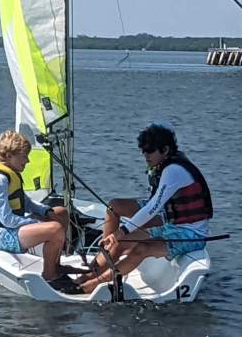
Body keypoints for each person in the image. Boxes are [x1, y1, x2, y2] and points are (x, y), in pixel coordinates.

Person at [75, 123, 212, 294]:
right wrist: (120, 236)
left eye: (150, 151)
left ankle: (94, 284)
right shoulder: (162, 164)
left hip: (191, 234)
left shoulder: (174, 171)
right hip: (171, 225)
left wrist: (121, 231)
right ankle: (90, 274)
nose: (145, 155)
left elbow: (153, 208)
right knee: (120, 244)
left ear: (166, 150)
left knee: (141, 248)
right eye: (143, 151)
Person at [0, 130, 81, 295]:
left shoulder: (11, 174)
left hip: (12, 228)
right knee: (55, 229)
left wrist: (46, 211)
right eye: (24, 156)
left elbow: (25, 202)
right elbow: (6, 220)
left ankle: (55, 265)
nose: (27, 161)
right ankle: (50, 275)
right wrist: (36, 223)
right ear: (9, 155)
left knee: (61, 213)